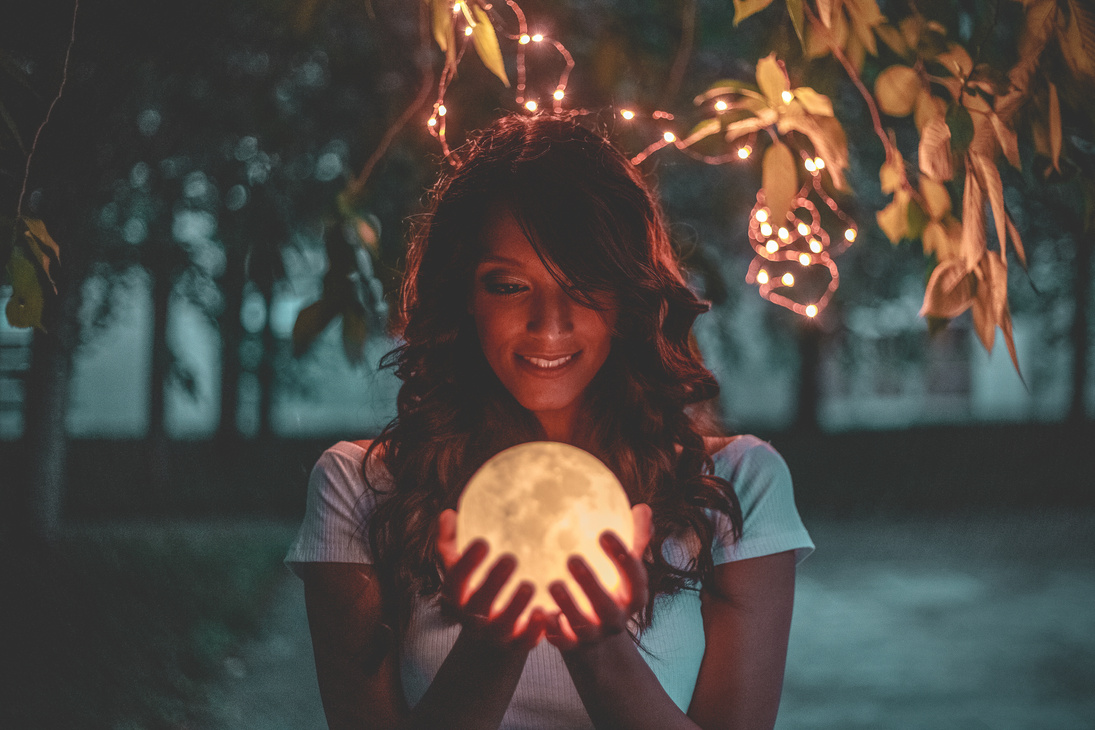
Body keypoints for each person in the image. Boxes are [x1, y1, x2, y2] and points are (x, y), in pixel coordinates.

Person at [286, 114, 814, 729]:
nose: (549, 323)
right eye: (509, 285)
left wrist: (600, 648)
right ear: (464, 295)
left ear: (628, 298)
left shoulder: (736, 485)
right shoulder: (361, 488)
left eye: (585, 284)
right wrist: (492, 644)